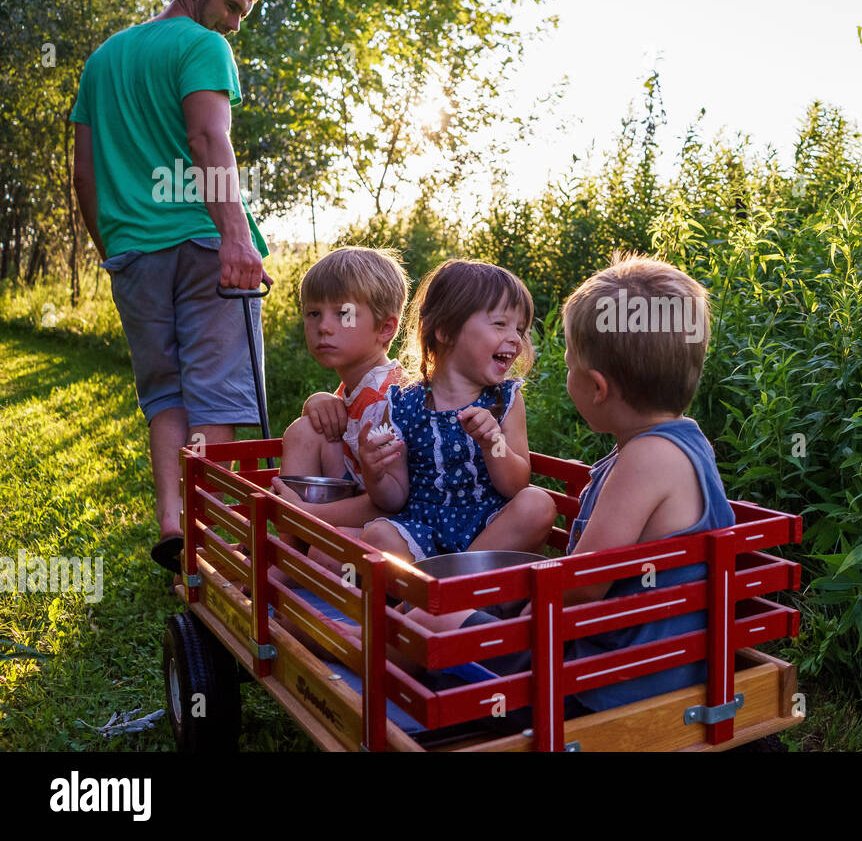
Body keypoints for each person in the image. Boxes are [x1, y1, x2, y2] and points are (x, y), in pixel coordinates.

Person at [407, 253, 735, 715]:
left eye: (568, 365)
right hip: (650, 660)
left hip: (603, 680)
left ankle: (381, 688)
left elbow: (582, 586)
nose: (565, 375)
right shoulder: (686, 442)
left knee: (427, 619)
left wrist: (522, 620)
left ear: (597, 387)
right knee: (464, 609)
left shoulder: (645, 459)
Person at [70, 0, 271, 573]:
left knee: (165, 395)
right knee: (219, 398)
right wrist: (236, 237)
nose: (235, 23)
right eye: (231, 6)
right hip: (203, 242)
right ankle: (216, 544)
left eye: (242, 15)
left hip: (133, 251)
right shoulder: (202, 46)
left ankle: (174, 523)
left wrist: (114, 248)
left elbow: (83, 171)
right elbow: (207, 136)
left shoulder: (103, 60)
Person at [349, 259, 557, 562]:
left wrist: (492, 443)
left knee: (537, 503)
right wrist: (374, 471)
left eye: (520, 329)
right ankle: (469, 598)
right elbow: (393, 499)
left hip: (490, 530)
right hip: (422, 532)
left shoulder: (505, 400)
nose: (515, 338)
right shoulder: (400, 405)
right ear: (445, 331)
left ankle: (452, 590)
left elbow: (516, 485)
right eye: (500, 324)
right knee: (378, 536)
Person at [268, 247, 410, 534]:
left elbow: (390, 502)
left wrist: (306, 514)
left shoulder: (388, 398)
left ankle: (293, 539)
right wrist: (317, 400)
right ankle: (291, 544)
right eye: (314, 313)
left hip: (397, 521)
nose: (323, 327)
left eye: (343, 313)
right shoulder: (361, 383)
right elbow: (338, 419)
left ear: (384, 329)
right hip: (361, 497)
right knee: (305, 429)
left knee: (327, 557)